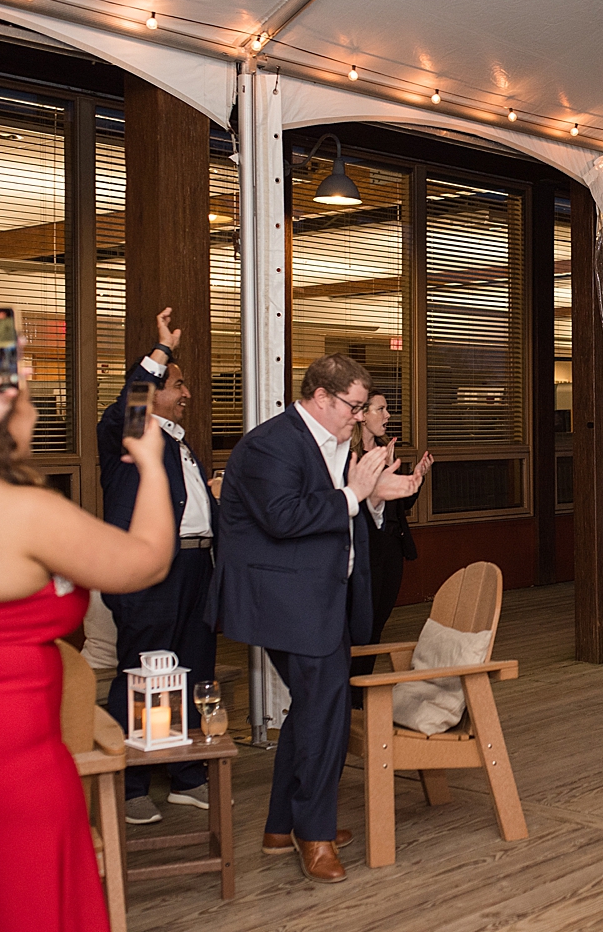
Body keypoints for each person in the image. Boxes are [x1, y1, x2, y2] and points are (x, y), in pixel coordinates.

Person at [0, 330, 174, 931]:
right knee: (19, 900)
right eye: (22, 400)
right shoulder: (17, 508)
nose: (37, 410)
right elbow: (145, 560)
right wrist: (151, 466)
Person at [205, 354, 423, 884]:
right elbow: (284, 518)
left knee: (312, 708)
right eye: (353, 406)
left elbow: (336, 512)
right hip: (286, 601)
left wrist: (372, 497)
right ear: (321, 397)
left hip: (319, 595)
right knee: (325, 713)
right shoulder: (269, 445)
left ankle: (282, 826)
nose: (359, 416)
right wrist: (354, 494)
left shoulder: (333, 440)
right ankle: (315, 835)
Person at [97, 307, 218, 824]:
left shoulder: (181, 442)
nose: (187, 393)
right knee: (142, 673)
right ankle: (130, 784)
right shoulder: (128, 436)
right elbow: (131, 400)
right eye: (179, 385)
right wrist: (160, 352)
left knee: (195, 669)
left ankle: (188, 777)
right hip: (148, 571)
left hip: (196, 568)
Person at [349, 392, 433, 695]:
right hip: (363, 550)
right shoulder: (348, 458)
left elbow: (399, 504)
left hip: (391, 549)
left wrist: (416, 478)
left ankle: (360, 694)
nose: (387, 416)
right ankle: (351, 694)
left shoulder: (387, 451)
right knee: (359, 624)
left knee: (377, 623)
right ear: (362, 414)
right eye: (381, 409)